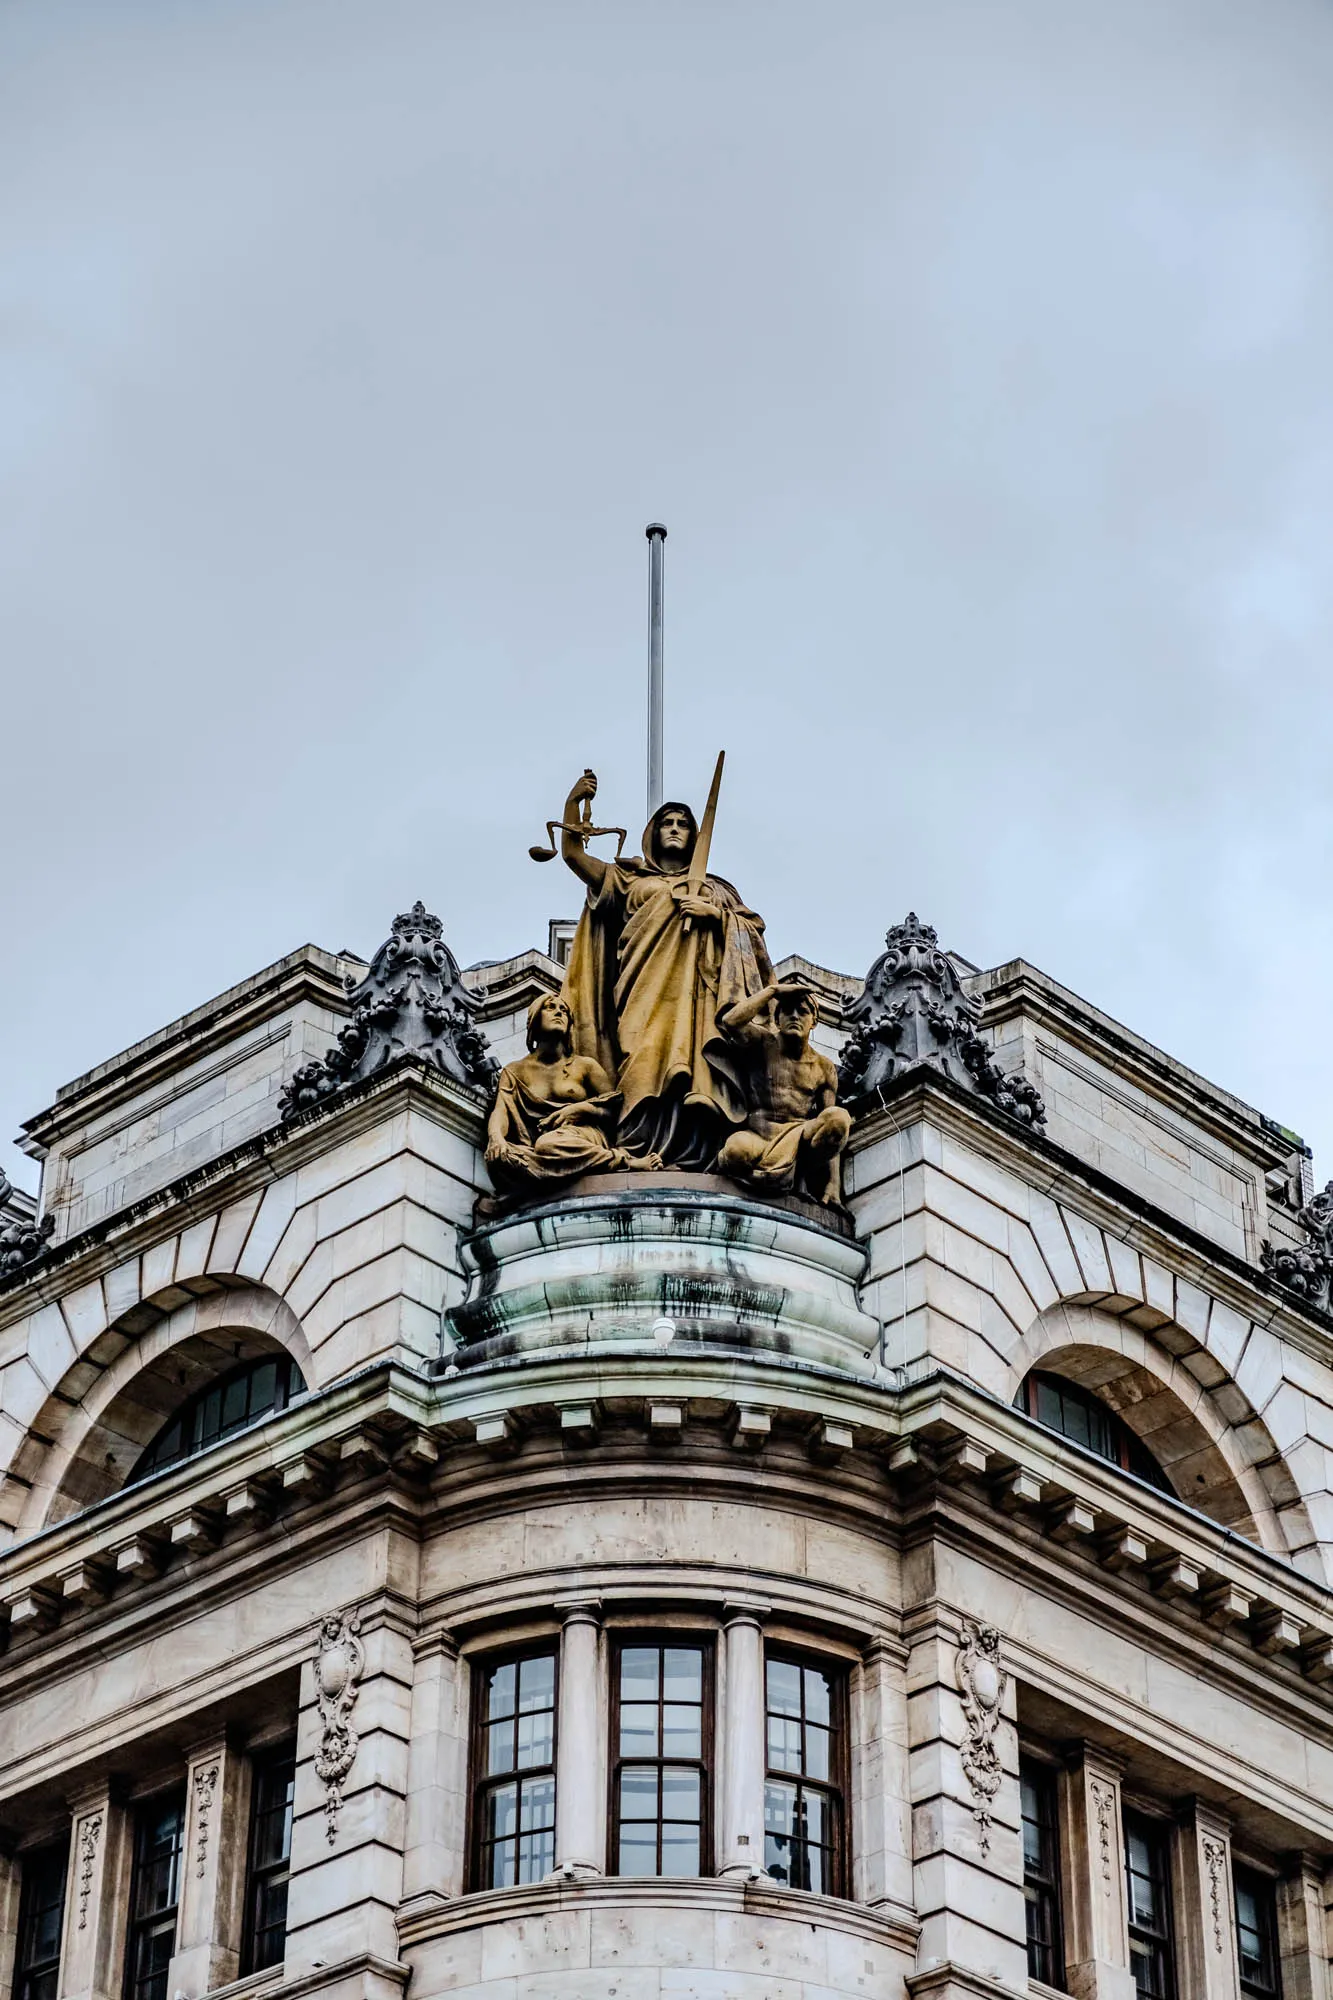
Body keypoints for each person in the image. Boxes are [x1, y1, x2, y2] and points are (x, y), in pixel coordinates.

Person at [556, 769, 772, 1168]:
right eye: (667, 823)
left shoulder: (717, 889)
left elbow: (754, 937)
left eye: (684, 824)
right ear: (653, 833)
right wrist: (573, 803)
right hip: (641, 994)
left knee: (694, 1073)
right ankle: (636, 1148)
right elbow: (573, 856)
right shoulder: (629, 879)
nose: (675, 829)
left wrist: (715, 915)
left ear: (694, 837)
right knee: (640, 1066)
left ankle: (695, 1151)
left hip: (698, 1001)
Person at [485, 994, 659, 1195]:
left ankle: (624, 1162)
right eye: (550, 1007)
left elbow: (617, 1112)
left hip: (580, 1137)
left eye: (564, 1010)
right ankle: (559, 1174)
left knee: (548, 1145)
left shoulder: (584, 1066)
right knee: (500, 1158)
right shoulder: (515, 1071)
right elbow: (501, 1111)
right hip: (538, 1144)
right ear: (534, 1019)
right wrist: (496, 1138)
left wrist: (580, 1109)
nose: (559, 1012)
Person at [714, 979, 852, 1206]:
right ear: (777, 1020)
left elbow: (833, 1132)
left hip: (798, 1139)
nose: (795, 1016)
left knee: (838, 1118)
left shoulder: (824, 1067)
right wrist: (772, 991)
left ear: (814, 1021)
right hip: (758, 1137)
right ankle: (780, 1179)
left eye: (803, 1011)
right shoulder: (762, 1043)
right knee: (735, 1152)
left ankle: (798, 1174)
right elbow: (730, 1022)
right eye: (787, 1011)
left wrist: (833, 1185)